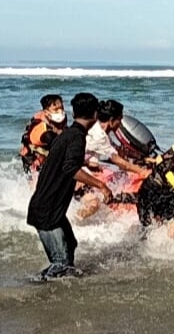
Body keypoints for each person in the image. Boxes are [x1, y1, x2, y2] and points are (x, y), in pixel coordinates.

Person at [26, 93, 113, 281]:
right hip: (47, 211)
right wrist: (101, 185)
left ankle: (56, 294)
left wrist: (86, 165)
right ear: (95, 114)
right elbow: (70, 168)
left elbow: (66, 164)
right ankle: (34, 293)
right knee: (60, 263)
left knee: (71, 245)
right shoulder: (76, 138)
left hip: (50, 208)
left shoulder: (68, 135)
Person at [86, 99, 150, 176]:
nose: (120, 123)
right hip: (81, 168)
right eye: (119, 119)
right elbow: (117, 159)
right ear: (111, 120)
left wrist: (144, 159)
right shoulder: (99, 136)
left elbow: (116, 150)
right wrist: (142, 172)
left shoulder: (97, 128)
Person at [19, 94, 68, 177]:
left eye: (61, 108)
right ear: (46, 112)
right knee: (36, 184)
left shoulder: (59, 119)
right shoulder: (45, 132)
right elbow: (59, 148)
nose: (60, 112)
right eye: (56, 110)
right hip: (32, 158)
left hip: (46, 154)